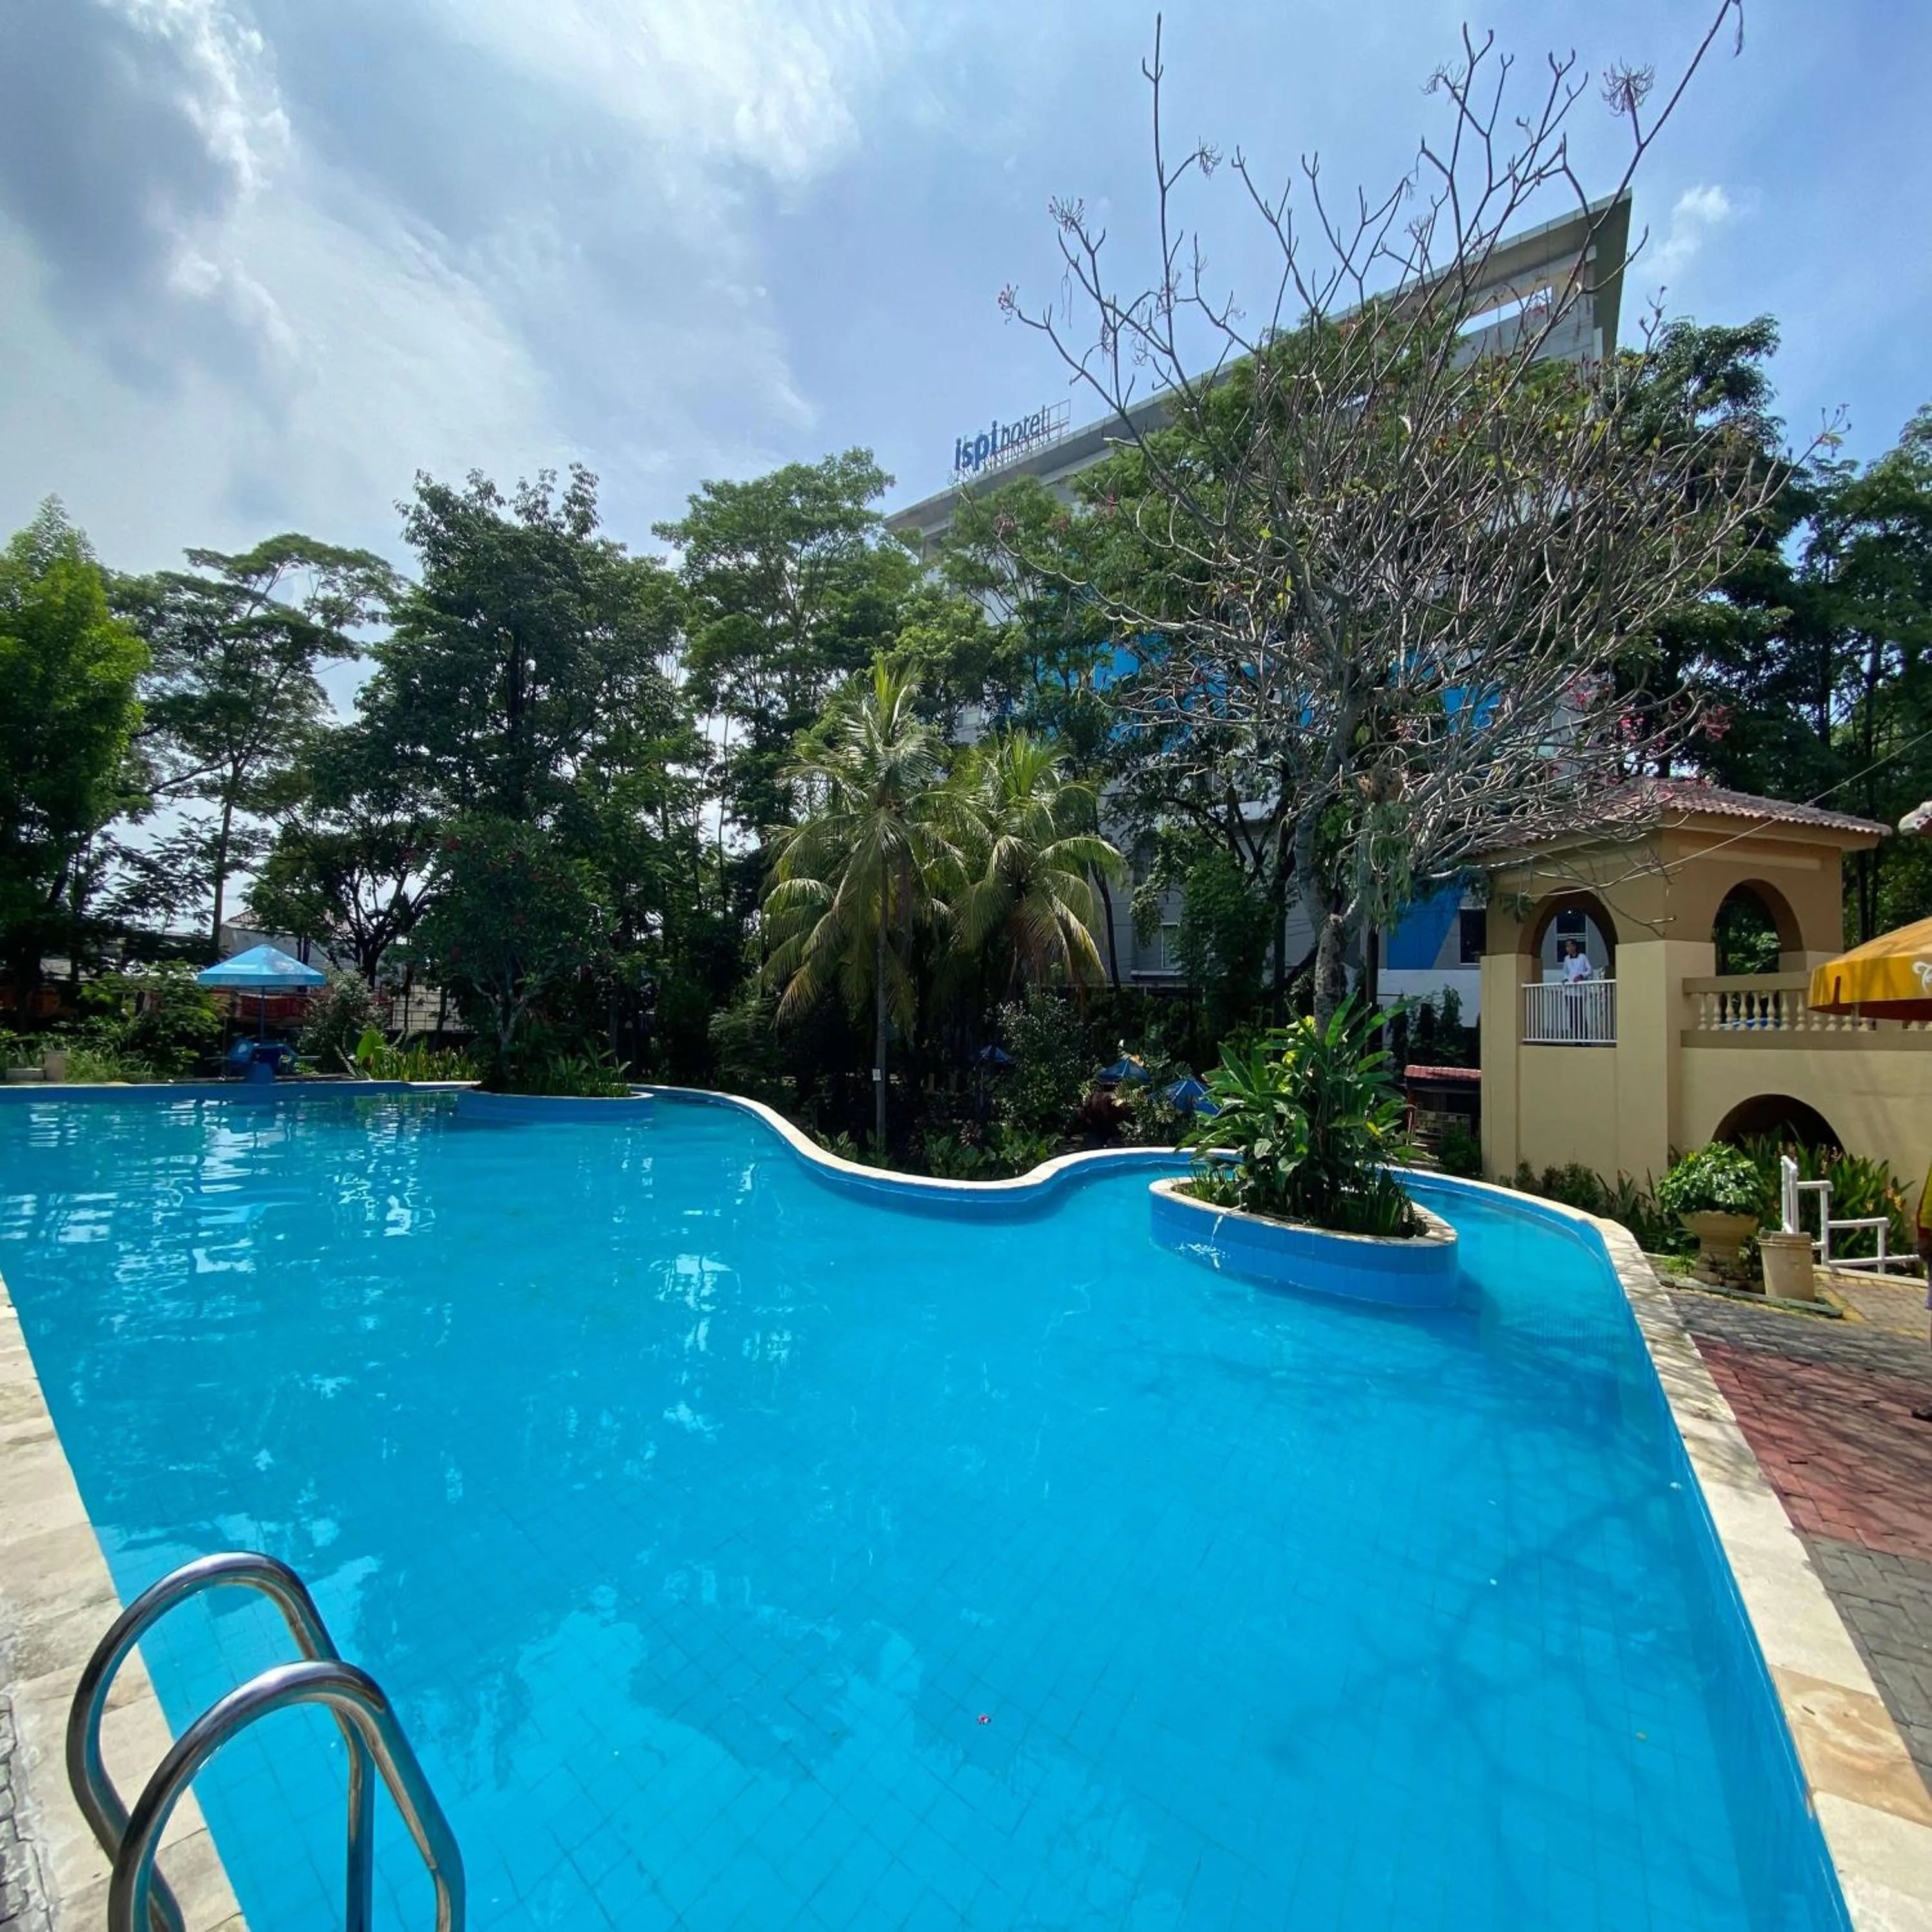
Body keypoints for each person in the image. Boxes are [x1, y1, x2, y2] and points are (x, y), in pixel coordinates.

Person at [1559, 938, 1594, 1038]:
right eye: (1567, 947)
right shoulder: (1566, 959)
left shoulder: (1582, 957)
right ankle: (1576, 1037)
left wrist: (1581, 976)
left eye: (1570, 946)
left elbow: (1590, 970)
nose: (1568, 948)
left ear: (1575, 946)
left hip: (1580, 992)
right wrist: (1566, 979)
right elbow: (1565, 972)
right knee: (1572, 1015)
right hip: (1569, 992)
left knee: (1580, 1015)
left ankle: (1585, 1037)